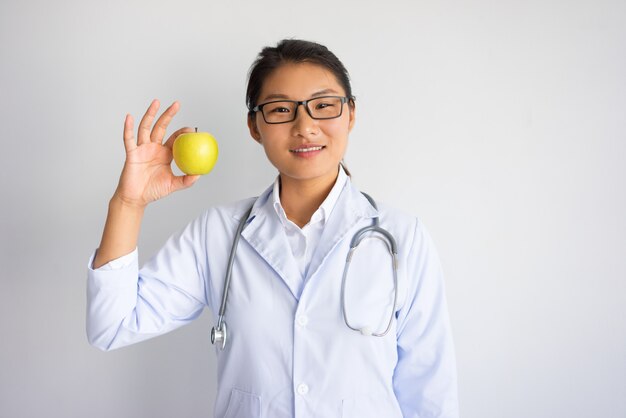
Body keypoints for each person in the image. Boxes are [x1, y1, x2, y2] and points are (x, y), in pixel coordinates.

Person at [87, 39, 459, 418]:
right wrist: (128, 204)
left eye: (324, 106)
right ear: (254, 126)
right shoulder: (217, 234)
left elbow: (429, 391)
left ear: (350, 114)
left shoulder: (403, 237)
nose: (305, 126)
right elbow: (112, 326)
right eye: (281, 109)